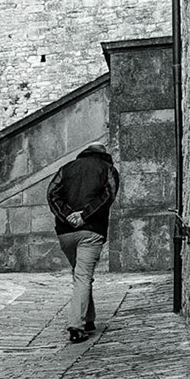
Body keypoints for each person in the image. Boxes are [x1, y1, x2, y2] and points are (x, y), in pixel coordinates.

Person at [46, 142, 120, 344]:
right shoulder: (108, 170)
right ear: (104, 155)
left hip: (65, 233)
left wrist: (68, 215)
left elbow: (51, 194)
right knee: (83, 276)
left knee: (80, 275)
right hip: (90, 231)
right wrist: (84, 216)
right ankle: (76, 327)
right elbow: (108, 197)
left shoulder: (67, 169)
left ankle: (88, 319)